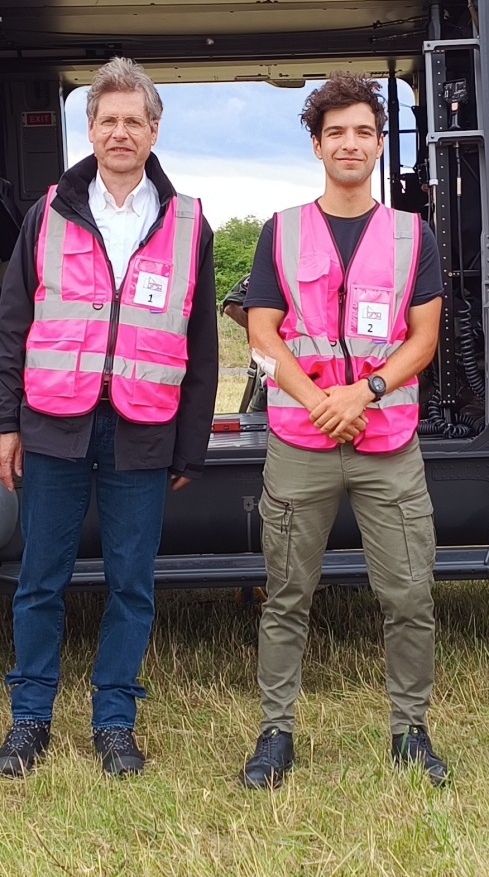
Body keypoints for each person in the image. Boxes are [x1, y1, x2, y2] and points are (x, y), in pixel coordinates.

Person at [0, 57, 218, 778]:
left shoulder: (188, 222)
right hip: (54, 426)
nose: (120, 132)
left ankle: (114, 721)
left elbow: (201, 342)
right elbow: (11, 326)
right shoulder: (47, 213)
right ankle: (30, 720)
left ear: (155, 131)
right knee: (41, 579)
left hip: (142, 431)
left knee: (132, 583)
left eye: (134, 120)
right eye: (107, 120)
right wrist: (7, 424)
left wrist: (190, 448)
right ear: (88, 129)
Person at [240, 72, 445, 789]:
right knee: (287, 593)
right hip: (302, 441)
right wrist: (321, 399)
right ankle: (276, 735)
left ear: (378, 142)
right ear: (317, 145)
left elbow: (424, 340)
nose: (350, 144)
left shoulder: (412, 234)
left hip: (387, 442)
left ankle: (410, 732)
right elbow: (261, 332)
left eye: (363, 131)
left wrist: (367, 390)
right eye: (337, 133)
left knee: (408, 593)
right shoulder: (283, 231)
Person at [221, 274, 267, 412]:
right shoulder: (272, 269)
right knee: (258, 429)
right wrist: (272, 335)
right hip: (273, 375)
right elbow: (232, 306)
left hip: (328, 378)